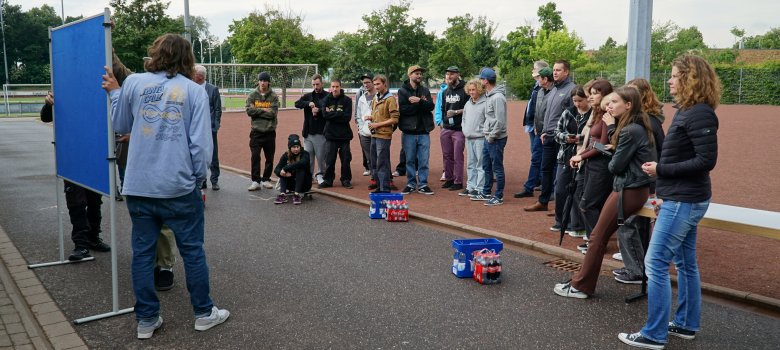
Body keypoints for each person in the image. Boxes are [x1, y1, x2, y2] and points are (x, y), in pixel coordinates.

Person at [102, 33, 229, 339]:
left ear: (155, 54)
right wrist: (197, 179)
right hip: (178, 187)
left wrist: (116, 93)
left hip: (139, 185)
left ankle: (146, 319)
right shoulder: (194, 91)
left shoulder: (133, 84)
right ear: (188, 59)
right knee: (192, 252)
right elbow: (201, 146)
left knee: (143, 253)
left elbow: (120, 125)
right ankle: (203, 312)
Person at [619, 55, 720, 350]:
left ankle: (653, 333)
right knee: (686, 263)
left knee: (655, 262)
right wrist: (664, 190)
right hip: (680, 198)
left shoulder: (699, 113)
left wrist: (660, 170)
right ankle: (686, 324)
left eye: (675, 76)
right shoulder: (690, 111)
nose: (670, 81)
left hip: (684, 201)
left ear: (690, 79)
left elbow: (705, 161)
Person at [554, 86, 657, 299]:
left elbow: (615, 166)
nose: (609, 106)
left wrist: (611, 137)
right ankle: (582, 283)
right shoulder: (636, 126)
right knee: (598, 236)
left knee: (597, 237)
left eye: (614, 102)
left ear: (628, 105)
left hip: (628, 188)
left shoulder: (629, 129)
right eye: (608, 103)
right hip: (633, 187)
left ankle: (581, 286)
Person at [40, 93, 111, 261]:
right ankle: (81, 244)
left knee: (94, 201)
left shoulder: (97, 93)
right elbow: (45, 118)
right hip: (72, 158)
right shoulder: (64, 90)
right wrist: (48, 104)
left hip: (94, 157)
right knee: (77, 203)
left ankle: (93, 237)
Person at [612, 78, 666, 285]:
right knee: (636, 224)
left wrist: (656, 181)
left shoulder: (647, 122)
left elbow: (659, 151)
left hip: (643, 180)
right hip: (646, 178)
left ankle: (637, 269)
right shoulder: (643, 121)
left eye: (631, 93)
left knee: (631, 224)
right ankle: (638, 267)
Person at [569, 80, 615, 253]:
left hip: (601, 167)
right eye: (590, 94)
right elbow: (593, 144)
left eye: (595, 93)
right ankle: (594, 241)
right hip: (591, 164)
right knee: (588, 203)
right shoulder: (596, 113)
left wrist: (580, 155)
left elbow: (603, 146)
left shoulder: (607, 115)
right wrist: (581, 156)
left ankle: (597, 243)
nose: (590, 97)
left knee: (588, 205)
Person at [525, 60, 576, 212]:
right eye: (554, 70)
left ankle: (561, 205)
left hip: (561, 138)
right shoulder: (553, 89)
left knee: (562, 173)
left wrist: (564, 134)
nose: (555, 72)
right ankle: (543, 201)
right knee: (545, 169)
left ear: (566, 72)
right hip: (547, 136)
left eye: (558, 70)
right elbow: (549, 113)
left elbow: (572, 117)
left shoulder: (571, 90)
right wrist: (544, 131)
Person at [552, 85, 591, 236]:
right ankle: (561, 221)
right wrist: (566, 138)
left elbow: (592, 136)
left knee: (578, 191)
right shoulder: (568, 112)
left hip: (583, 157)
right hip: (566, 155)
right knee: (560, 188)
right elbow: (557, 132)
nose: (577, 104)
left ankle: (577, 224)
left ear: (587, 98)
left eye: (580, 100)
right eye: (574, 101)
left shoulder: (593, 114)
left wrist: (579, 138)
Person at [471, 67, 508, 206]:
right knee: (487, 166)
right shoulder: (488, 95)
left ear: (486, 81)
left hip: (496, 138)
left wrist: (492, 136)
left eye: (481, 78)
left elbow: (500, 121)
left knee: (497, 167)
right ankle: (486, 192)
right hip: (489, 137)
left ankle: (498, 196)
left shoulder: (497, 97)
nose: (480, 80)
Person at [398, 65, 436, 195]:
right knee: (409, 160)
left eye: (420, 74)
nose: (419, 76)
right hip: (409, 131)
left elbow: (431, 106)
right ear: (410, 75)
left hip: (424, 131)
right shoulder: (402, 91)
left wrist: (419, 101)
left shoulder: (425, 90)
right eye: (416, 73)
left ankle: (423, 184)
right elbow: (404, 110)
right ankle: (410, 183)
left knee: (424, 160)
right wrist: (421, 105)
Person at [515, 60, 549, 198]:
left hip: (543, 129)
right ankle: (531, 185)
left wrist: (538, 126)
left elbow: (542, 111)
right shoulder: (537, 88)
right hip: (537, 127)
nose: (532, 71)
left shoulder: (548, 90)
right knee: (536, 157)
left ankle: (542, 185)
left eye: (535, 69)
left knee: (543, 158)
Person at [246, 71, 279, 191]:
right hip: (256, 132)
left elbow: (273, 113)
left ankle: (266, 179)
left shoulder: (273, 96)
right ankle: (255, 181)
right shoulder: (252, 95)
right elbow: (249, 111)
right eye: (261, 80)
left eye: (265, 80)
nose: (262, 83)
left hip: (269, 131)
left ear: (268, 82)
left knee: (269, 157)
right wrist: (264, 110)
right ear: (258, 81)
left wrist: (258, 110)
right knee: (255, 156)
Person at [367, 75, 400, 193]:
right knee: (374, 162)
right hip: (375, 134)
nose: (376, 87)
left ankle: (384, 188)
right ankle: (379, 186)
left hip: (384, 135)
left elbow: (395, 119)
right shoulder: (377, 97)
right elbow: (379, 115)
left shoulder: (390, 99)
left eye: (378, 84)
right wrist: (371, 117)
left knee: (382, 162)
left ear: (384, 84)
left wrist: (378, 124)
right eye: (374, 84)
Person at [192, 65, 222, 190]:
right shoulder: (191, 88)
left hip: (209, 128)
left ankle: (214, 180)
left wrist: (215, 126)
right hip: (195, 128)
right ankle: (202, 180)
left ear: (200, 76)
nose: (193, 76)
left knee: (213, 154)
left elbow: (217, 109)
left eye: (194, 74)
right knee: (198, 153)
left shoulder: (212, 89)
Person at [319, 79, 354, 189]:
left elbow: (347, 118)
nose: (335, 89)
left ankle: (346, 179)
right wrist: (339, 114)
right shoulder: (326, 100)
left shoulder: (347, 100)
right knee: (329, 159)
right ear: (330, 87)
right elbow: (325, 115)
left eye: (337, 86)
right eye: (333, 86)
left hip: (344, 135)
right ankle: (328, 180)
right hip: (330, 135)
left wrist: (332, 114)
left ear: (340, 87)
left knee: (345, 159)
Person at [294, 74, 328, 183]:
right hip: (308, 133)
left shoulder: (328, 96)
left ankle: (321, 175)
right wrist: (308, 103)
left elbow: (329, 110)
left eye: (317, 84)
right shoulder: (308, 96)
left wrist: (319, 110)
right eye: (313, 84)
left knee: (321, 157)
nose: (315, 87)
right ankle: (309, 176)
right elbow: (297, 104)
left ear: (322, 83)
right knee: (308, 157)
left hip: (321, 132)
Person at [439, 66, 468, 192]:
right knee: (447, 155)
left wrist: (456, 112)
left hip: (459, 128)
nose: (449, 76)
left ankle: (458, 181)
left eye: (451, 74)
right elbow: (443, 108)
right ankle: (449, 178)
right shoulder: (446, 91)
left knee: (457, 156)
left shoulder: (465, 90)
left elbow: (469, 109)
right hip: (446, 127)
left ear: (458, 74)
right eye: (447, 74)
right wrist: (442, 122)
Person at [460, 79, 487, 198]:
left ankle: (479, 188)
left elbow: (488, 120)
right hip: (468, 137)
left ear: (479, 90)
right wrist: (464, 130)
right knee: (470, 163)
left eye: (474, 90)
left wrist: (483, 131)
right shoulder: (468, 103)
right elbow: (464, 119)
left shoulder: (485, 103)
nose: (471, 92)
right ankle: (470, 187)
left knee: (480, 164)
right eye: (470, 90)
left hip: (480, 138)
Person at [273, 134, 312, 205]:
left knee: (300, 168)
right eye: (294, 147)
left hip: (304, 184)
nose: (296, 149)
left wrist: (285, 168)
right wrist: (283, 172)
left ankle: (297, 195)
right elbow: (276, 169)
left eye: (298, 147)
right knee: (282, 171)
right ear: (290, 148)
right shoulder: (286, 155)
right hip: (291, 185)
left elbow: (303, 163)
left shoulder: (305, 154)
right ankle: (282, 194)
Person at [354, 74, 376, 177]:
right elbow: (358, 114)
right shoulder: (361, 97)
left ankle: (385, 179)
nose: (366, 85)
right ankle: (374, 178)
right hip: (365, 132)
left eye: (368, 82)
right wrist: (361, 128)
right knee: (369, 157)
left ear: (373, 82)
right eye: (364, 83)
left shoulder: (380, 95)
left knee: (380, 156)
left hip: (378, 131)